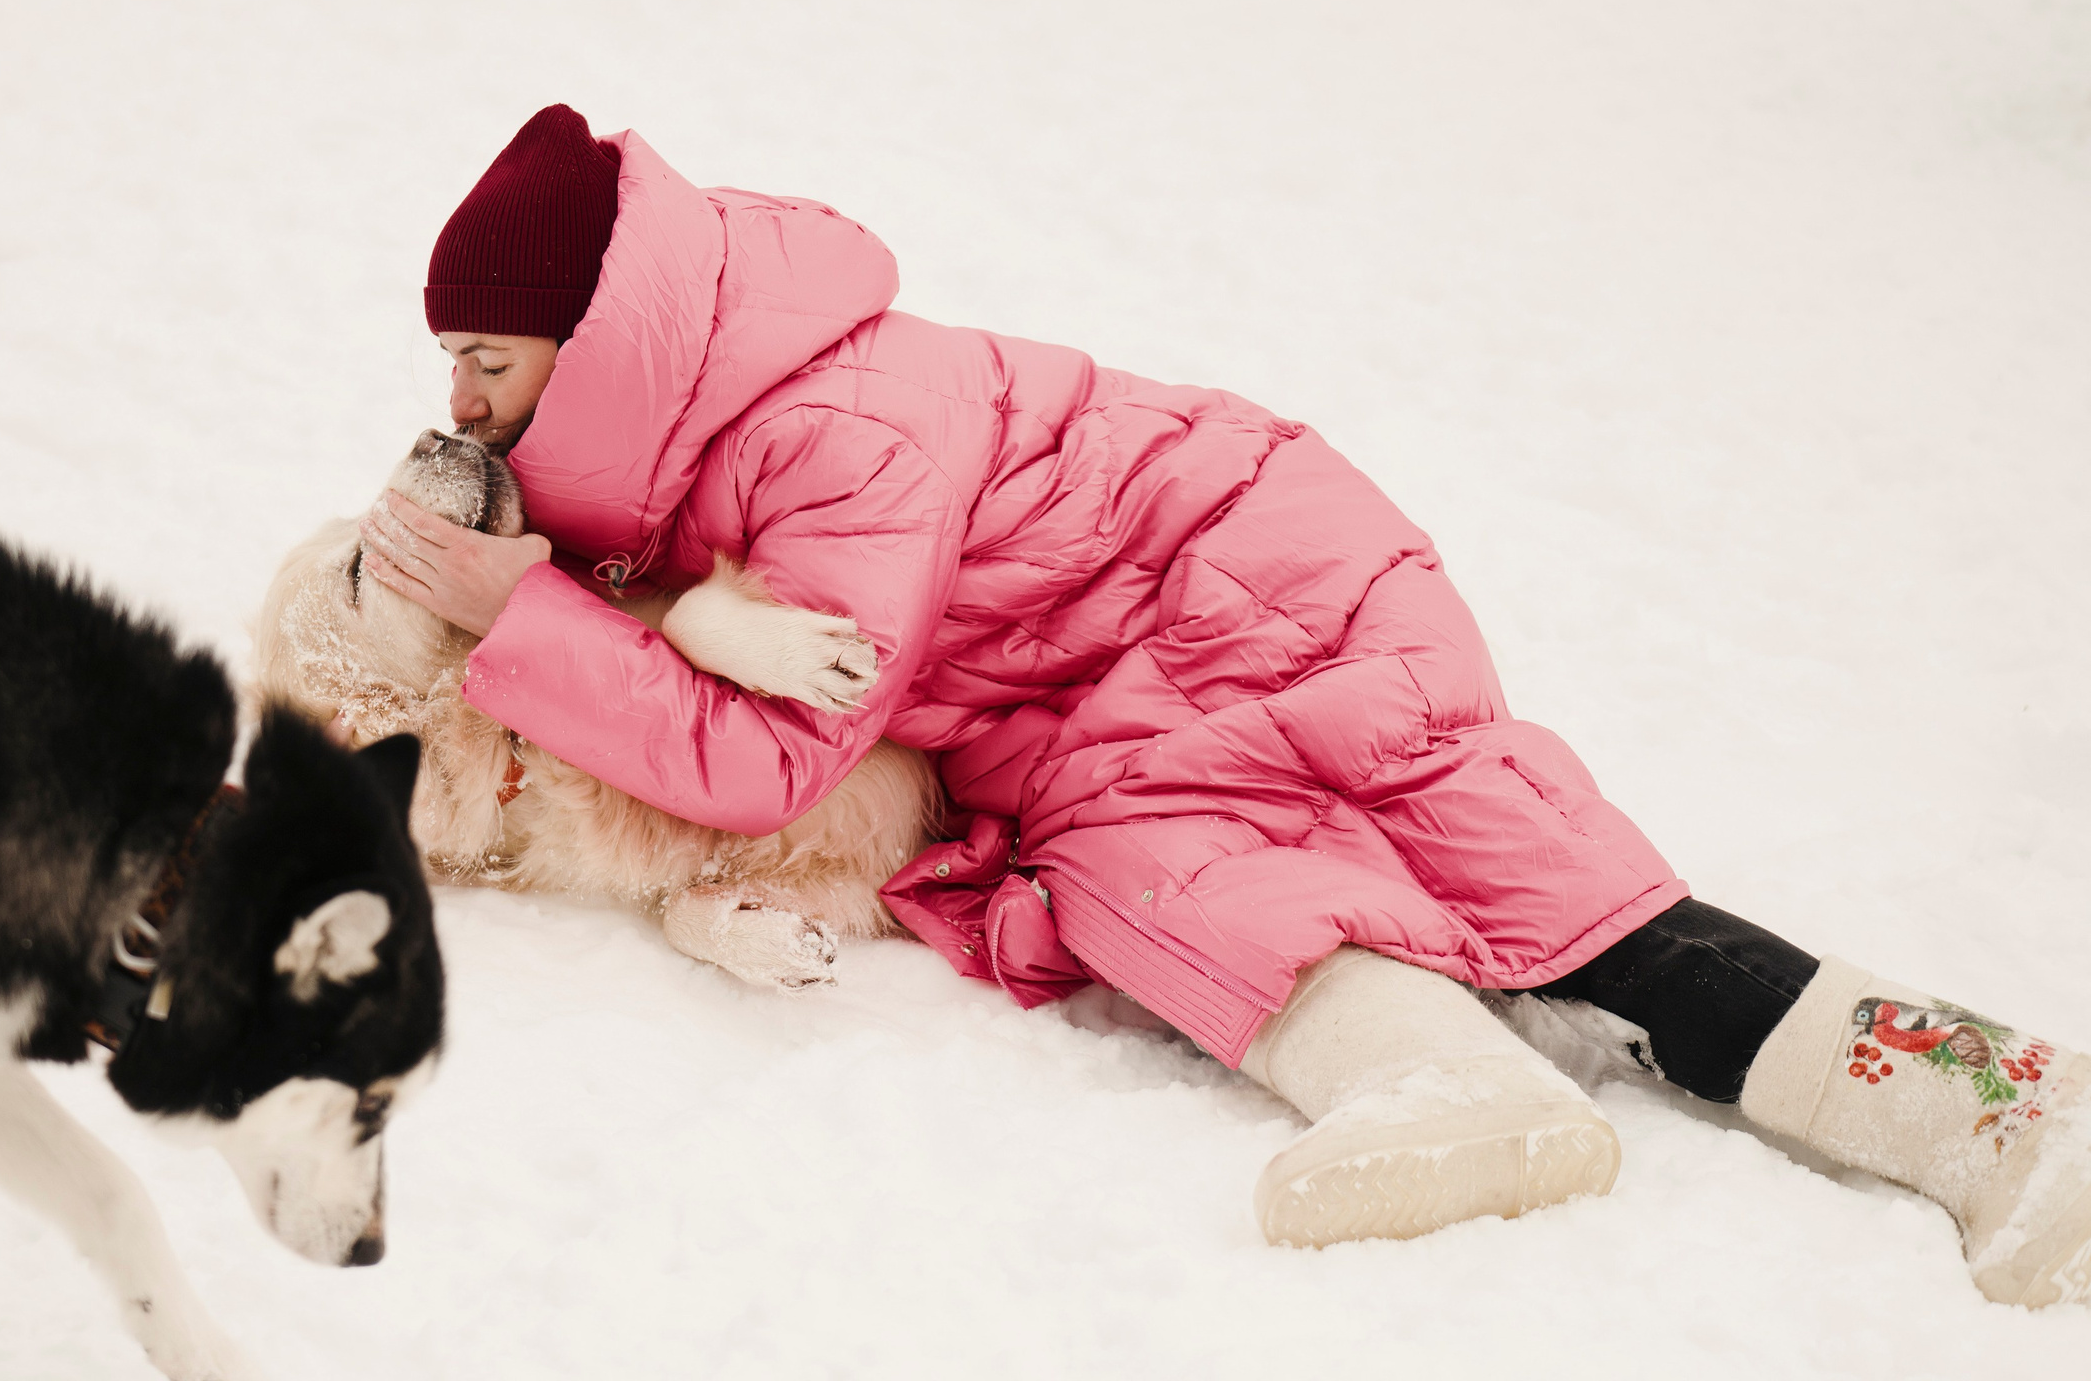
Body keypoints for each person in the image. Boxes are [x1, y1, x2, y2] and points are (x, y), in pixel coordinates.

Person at [361, 104, 2090, 1303]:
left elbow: (769, 761)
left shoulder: (831, 433)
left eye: (487, 361)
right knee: (1220, 864)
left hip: (1229, 590)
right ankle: (1495, 1084)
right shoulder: (731, 415)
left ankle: (1995, 1109)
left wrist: (522, 614)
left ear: (605, 337)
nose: (463, 401)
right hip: (1147, 629)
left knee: (1335, 862)